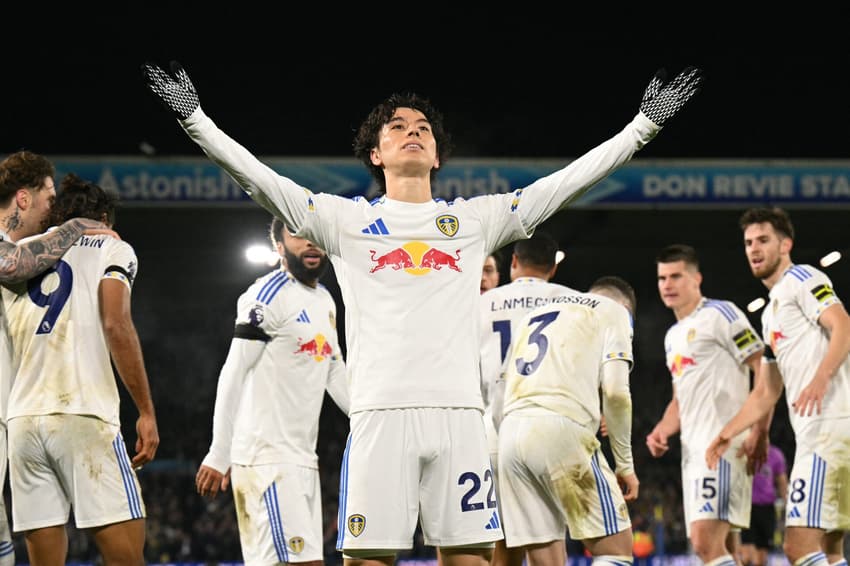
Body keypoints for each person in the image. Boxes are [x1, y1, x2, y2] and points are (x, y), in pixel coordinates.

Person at [142, 59, 703, 566]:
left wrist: (643, 126)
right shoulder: (344, 220)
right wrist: (194, 119)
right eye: (397, 128)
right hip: (379, 416)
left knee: (468, 560)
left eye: (423, 129)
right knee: (368, 560)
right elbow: (257, 179)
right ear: (376, 154)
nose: (412, 133)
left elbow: (567, 184)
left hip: (460, 420)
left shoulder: (476, 221)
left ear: (436, 155)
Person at [2, 173, 158, 565]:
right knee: (127, 557)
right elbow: (115, 324)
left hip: (23, 421)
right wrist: (145, 411)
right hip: (84, 413)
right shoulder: (112, 246)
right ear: (104, 216)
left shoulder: (20, 254)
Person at [195, 216, 350, 565]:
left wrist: (368, 417)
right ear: (279, 247)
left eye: (314, 236)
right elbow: (234, 372)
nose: (310, 243)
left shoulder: (324, 299)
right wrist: (219, 452)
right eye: (297, 236)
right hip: (268, 459)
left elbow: (334, 369)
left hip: (302, 460)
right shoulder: (266, 296)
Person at [707, 207, 850, 566]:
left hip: (828, 429)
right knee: (830, 549)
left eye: (763, 240)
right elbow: (767, 389)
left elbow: (843, 325)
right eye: (748, 243)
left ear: (786, 244)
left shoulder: (802, 278)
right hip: (822, 432)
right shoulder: (770, 313)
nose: (754, 249)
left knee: (798, 547)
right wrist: (738, 433)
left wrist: (822, 376)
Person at [497, 275, 639, 566]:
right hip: (559, 430)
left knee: (546, 561)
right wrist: (625, 464)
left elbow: (501, 386)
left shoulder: (532, 316)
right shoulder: (615, 312)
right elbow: (616, 393)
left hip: (510, 435)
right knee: (616, 550)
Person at [646, 244, 766, 566]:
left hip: (723, 445)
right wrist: (662, 429)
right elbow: (679, 400)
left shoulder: (720, 314)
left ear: (696, 278)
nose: (667, 284)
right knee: (725, 547)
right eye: (661, 278)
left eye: (676, 276)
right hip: (693, 452)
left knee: (704, 543)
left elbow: (764, 367)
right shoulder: (673, 336)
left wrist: (759, 429)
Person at [478, 231, 574, 566]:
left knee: (502, 543)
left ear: (514, 262)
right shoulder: (574, 302)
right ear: (553, 268)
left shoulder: (482, 303)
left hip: (495, 431)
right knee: (547, 542)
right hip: (550, 430)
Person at [739, 443, 788, 566]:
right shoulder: (744, 451)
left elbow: (782, 481)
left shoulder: (775, 454)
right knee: (746, 556)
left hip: (766, 508)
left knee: (760, 559)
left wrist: (788, 505)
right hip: (746, 507)